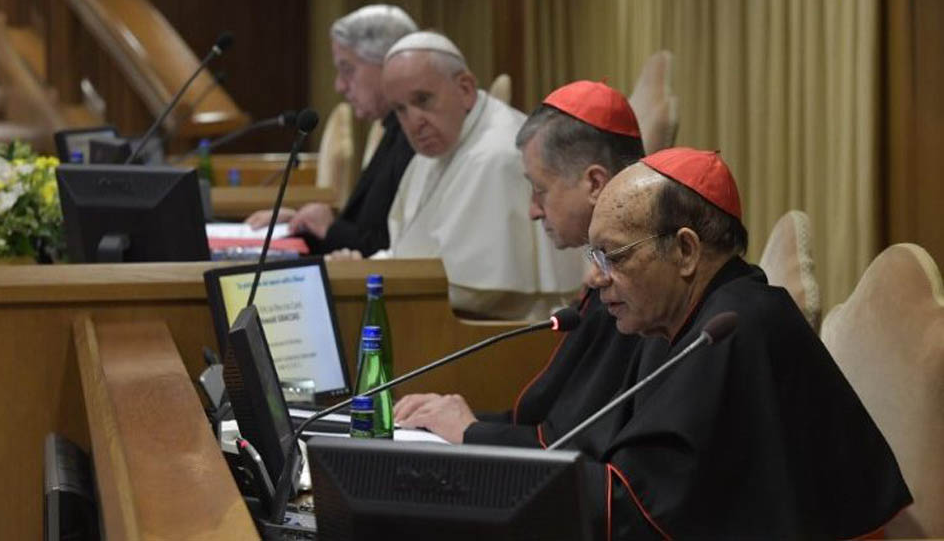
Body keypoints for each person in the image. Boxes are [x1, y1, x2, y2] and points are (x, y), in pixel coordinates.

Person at [576, 147, 911, 538]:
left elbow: (651, 506)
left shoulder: (737, 326)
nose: (598, 277)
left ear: (685, 251)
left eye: (613, 256)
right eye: (595, 257)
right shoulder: (674, 324)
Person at [394, 80, 654, 446]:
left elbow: (574, 446)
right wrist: (449, 420)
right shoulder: (608, 278)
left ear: (595, 183)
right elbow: (547, 422)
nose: (533, 210)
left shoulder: (643, 292)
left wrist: (472, 432)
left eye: (540, 190)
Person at [369, 32, 585, 320]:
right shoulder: (433, 152)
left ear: (465, 88)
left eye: (423, 99)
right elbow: (406, 248)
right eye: (400, 109)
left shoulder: (498, 154)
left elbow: (483, 291)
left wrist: (373, 277)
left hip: (502, 332)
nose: (413, 122)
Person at [245, 5, 417, 256]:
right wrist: (303, 223)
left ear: (390, 63)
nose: (339, 85)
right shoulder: (392, 128)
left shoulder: (417, 136)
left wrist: (331, 229)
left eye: (348, 69)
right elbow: (370, 227)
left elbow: (395, 252)